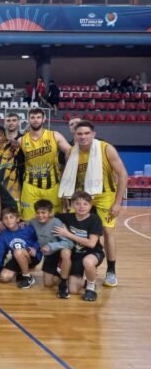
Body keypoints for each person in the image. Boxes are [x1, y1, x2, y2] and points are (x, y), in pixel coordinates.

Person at [59, 120, 128, 287]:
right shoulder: (71, 152)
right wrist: (66, 197)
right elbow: (69, 178)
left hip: (105, 195)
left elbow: (123, 175)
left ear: (93, 134)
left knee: (108, 231)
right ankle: (80, 267)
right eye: (79, 134)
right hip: (84, 196)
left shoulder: (106, 149)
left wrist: (118, 202)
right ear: (74, 135)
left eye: (86, 133)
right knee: (77, 230)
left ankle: (111, 270)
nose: (83, 137)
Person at [19, 107, 71, 220]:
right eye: (32, 117)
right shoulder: (21, 140)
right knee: (28, 220)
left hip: (53, 185)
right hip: (30, 186)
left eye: (38, 117)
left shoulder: (55, 135)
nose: (35, 120)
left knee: (54, 219)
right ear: (28, 119)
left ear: (44, 119)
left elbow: (69, 151)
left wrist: (67, 168)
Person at [54, 191, 105, 301]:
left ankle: (91, 287)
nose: (81, 207)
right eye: (77, 203)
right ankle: (84, 275)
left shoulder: (95, 219)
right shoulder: (67, 217)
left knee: (88, 262)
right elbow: (50, 217)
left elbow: (91, 243)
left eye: (85, 204)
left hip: (93, 253)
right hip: (76, 255)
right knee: (73, 290)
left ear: (90, 205)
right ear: (72, 204)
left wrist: (68, 234)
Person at [0, 206, 42, 289]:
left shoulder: (27, 228)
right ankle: (21, 272)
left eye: (11, 217)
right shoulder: (4, 235)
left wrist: (35, 248)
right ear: (2, 221)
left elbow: (40, 239)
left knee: (18, 252)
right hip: (18, 258)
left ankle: (27, 277)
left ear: (17, 219)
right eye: (5, 218)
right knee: (4, 277)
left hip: (33, 256)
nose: (8, 220)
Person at [30, 199, 74, 289]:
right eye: (38, 213)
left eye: (43, 213)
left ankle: (64, 274)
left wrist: (51, 246)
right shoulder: (33, 222)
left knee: (66, 252)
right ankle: (57, 272)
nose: (40, 215)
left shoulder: (56, 223)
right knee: (48, 284)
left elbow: (69, 243)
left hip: (58, 252)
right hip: (48, 254)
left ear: (50, 213)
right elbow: (23, 225)